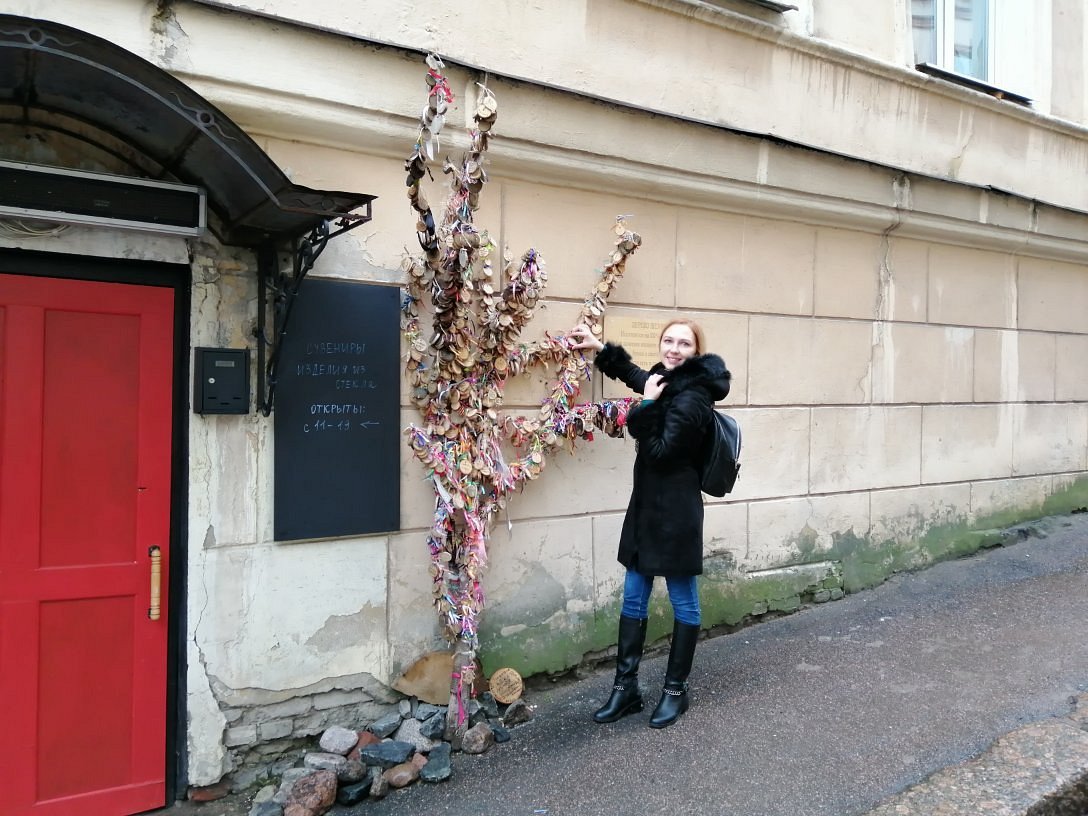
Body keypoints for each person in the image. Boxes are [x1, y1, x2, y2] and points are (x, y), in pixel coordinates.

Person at [569, 318, 731, 728]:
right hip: (645, 508)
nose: (673, 349)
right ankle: (627, 690)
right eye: (668, 341)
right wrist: (598, 348)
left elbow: (659, 451)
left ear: (696, 351)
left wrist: (643, 407)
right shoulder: (668, 380)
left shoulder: (694, 398)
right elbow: (642, 376)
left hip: (675, 515)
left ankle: (676, 691)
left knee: (684, 601)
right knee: (633, 598)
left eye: (684, 344)